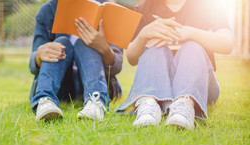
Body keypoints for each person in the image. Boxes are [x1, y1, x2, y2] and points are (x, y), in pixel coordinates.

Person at [115, 0, 233, 129]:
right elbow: (132, 58)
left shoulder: (206, 5)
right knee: (152, 48)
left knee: (192, 46)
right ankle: (148, 103)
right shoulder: (146, 7)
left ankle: (185, 104)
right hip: (161, 84)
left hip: (201, 83)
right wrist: (143, 35)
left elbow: (227, 43)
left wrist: (191, 33)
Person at [29, 0, 123, 121]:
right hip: (61, 88)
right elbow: (33, 65)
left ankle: (96, 101)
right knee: (61, 42)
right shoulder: (47, 11)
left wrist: (103, 48)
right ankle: (45, 100)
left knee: (85, 44)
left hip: (97, 82)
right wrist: (39, 55)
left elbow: (117, 66)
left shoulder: (107, 9)